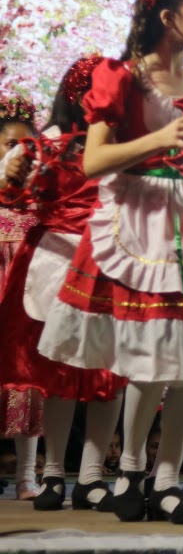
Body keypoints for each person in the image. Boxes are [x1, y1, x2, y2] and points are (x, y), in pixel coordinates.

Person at [36, 0, 183, 525]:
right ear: (166, 16)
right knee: (150, 357)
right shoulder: (123, 77)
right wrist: (160, 139)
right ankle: (131, 474)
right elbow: (95, 160)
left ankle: (167, 482)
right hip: (140, 222)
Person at [0, 57, 130, 512]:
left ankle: (91, 477)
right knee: (59, 373)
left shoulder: (124, 144)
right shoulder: (46, 144)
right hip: (55, 266)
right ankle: (53, 475)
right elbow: (10, 191)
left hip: (109, 265)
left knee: (106, 375)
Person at [0, 94, 43, 501]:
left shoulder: (42, 200)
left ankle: (27, 476)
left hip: (26, 307)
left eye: (27, 146)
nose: (18, 153)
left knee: (28, 383)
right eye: (9, 144)